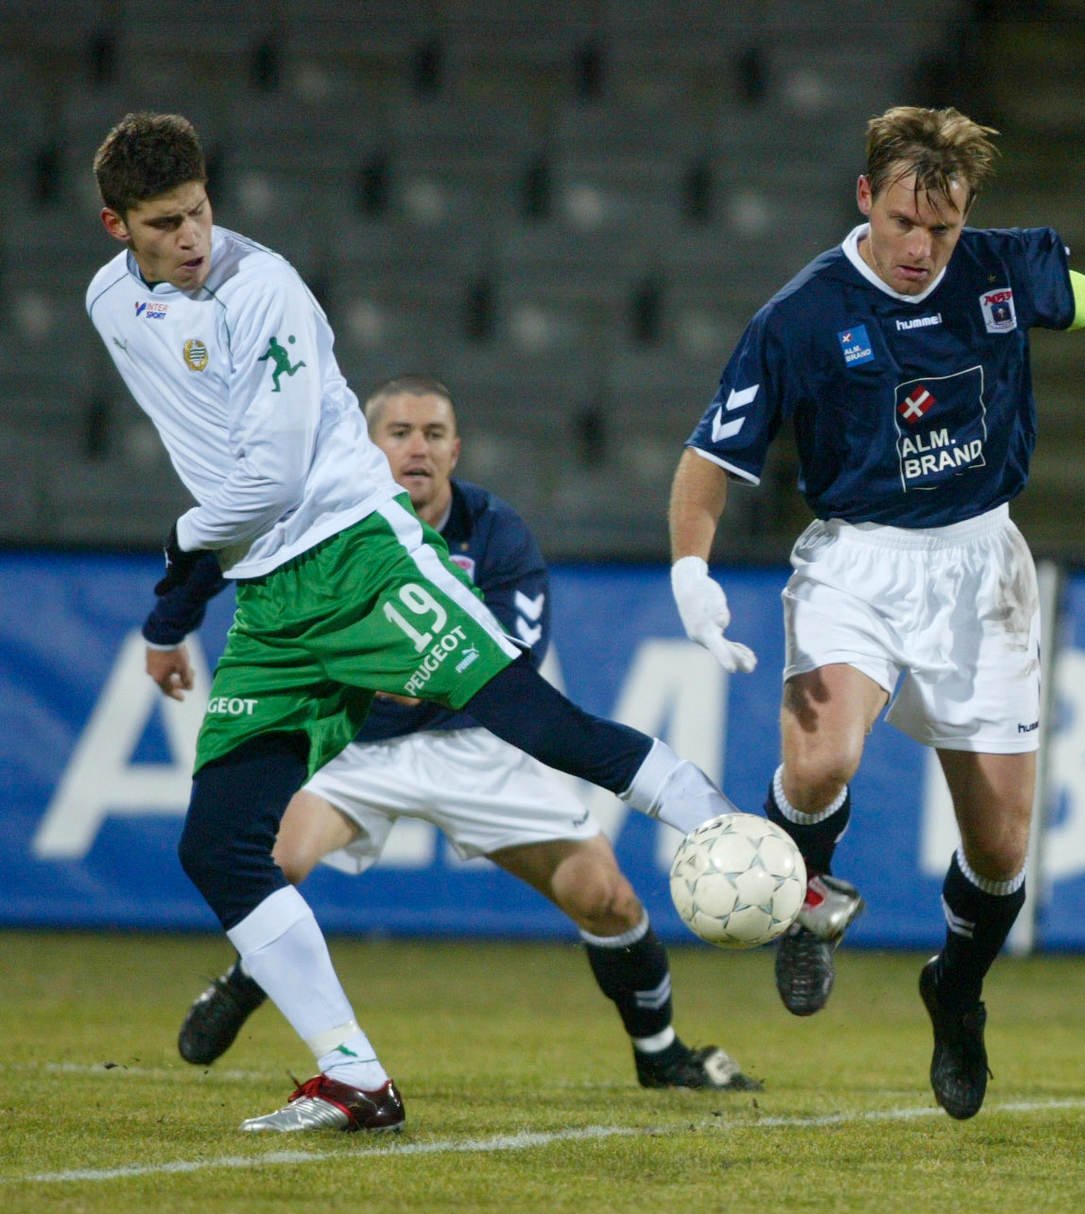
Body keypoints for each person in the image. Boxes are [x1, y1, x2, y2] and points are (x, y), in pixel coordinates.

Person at [665, 105, 1085, 1121]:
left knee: (998, 849)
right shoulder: (800, 316)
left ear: (965, 215)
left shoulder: (1000, 272)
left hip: (982, 567)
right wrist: (692, 568)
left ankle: (955, 987)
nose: (919, 247)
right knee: (819, 763)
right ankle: (807, 894)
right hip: (857, 560)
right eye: (903, 220)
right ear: (866, 198)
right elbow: (708, 461)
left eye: (940, 228)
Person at [87, 112, 739, 1134]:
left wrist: (171, 604)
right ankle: (354, 1075)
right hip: (270, 598)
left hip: (357, 552)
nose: (193, 239)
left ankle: (726, 830)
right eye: (165, 223)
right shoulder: (107, 301)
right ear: (115, 225)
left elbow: (268, 480)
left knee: (533, 718)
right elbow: (208, 448)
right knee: (218, 845)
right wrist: (193, 593)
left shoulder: (269, 294)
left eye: (201, 212)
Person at [148, 374, 757, 1091]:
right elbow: (232, 544)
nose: (417, 449)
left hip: (476, 745)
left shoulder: (496, 531)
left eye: (433, 434)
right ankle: (249, 981)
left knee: (609, 900)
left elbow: (512, 665)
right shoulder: (320, 517)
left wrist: (402, 662)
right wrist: (172, 624)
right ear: (365, 445)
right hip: (357, 750)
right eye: (398, 433)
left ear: (457, 449)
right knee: (266, 864)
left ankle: (660, 1053)